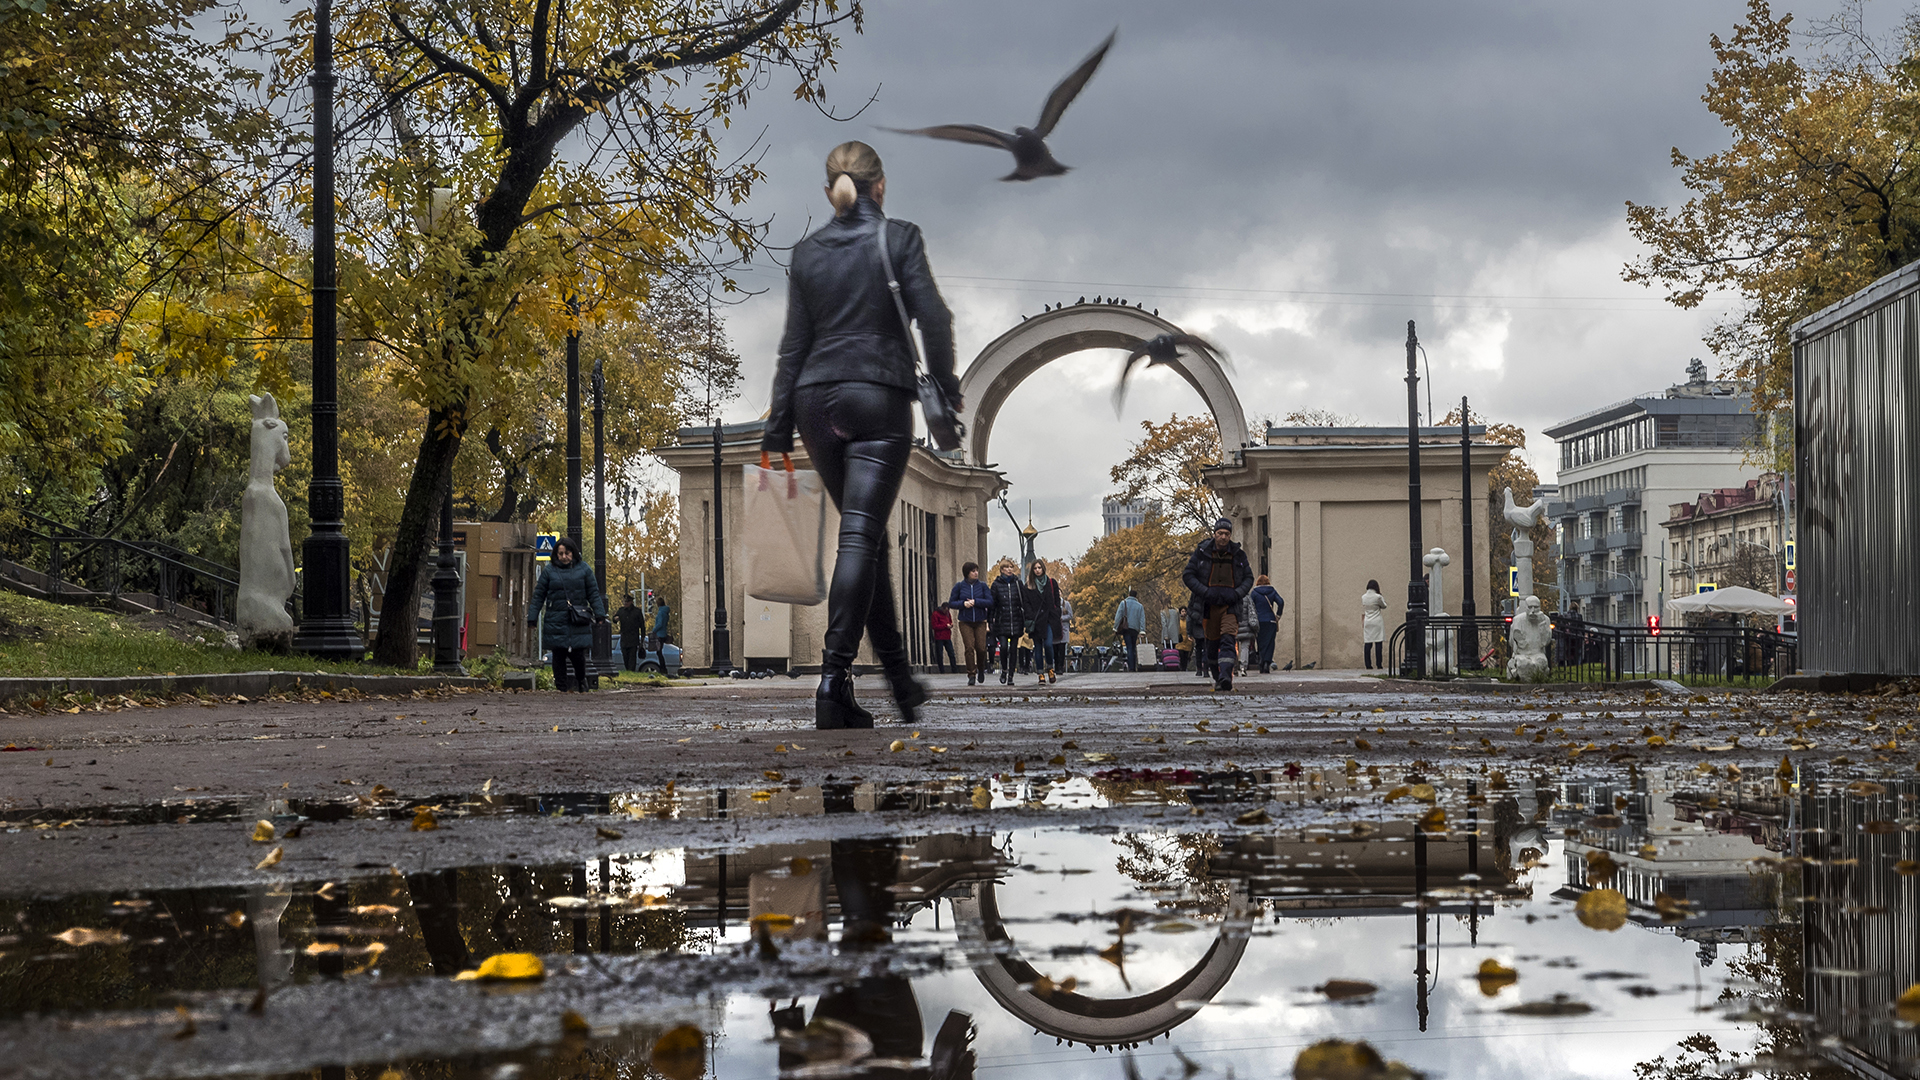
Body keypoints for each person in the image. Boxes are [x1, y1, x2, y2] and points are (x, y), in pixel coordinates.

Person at [760, 141, 959, 729]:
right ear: (880, 187)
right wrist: (945, 389)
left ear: (831, 193)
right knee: (861, 536)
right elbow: (936, 318)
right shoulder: (900, 238)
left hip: (815, 403)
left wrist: (776, 427)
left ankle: (898, 681)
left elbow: (793, 345)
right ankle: (832, 678)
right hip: (878, 399)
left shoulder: (807, 251)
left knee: (869, 541)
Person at [1182, 518, 1254, 691]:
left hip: (1230, 605)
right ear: (1214, 534)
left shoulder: (1238, 554)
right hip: (1208, 606)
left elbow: (1248, 578)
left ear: (1230, 535)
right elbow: (1188, 575)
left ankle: (1226, 676)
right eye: (1220, 533)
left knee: (1229, 640)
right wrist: (1205, 592)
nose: (1223, 537)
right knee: (1212, 646)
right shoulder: (1202, 552)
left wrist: (1237, 593)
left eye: (1227, 534)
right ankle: (1218, 677)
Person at [527, 536, 605, 692]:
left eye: (567, 553)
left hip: (577, 618)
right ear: (556, 554)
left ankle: (581, 680)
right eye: (560, 553)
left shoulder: (584, 569)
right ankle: (561, 687)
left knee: (578, 654)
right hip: (556, 618)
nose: (563, 557)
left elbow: (593, 594)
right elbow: (538, 595)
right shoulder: (550, 571)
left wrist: (600, 614)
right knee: (558, 653)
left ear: (573, 553)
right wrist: (532, 618)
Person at [946, 562, 993, 686]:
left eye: (976, 570)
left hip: (980, 621)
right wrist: (963, 604)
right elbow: (951, 603)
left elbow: (990, 601)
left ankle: (981, 668)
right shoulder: (959, 586)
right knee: (969, 647)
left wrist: (976, 602)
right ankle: (971, 674)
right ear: (967, 573)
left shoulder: (982, 586)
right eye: (973, 571)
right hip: (965, 621)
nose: (976, 573)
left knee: (981, 648)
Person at [1023, 558, 1063, 685]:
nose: (1037, 570)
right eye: (1035, 568)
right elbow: (1026, 603)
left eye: (1039, 568)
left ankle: (1050, 668)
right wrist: (1030, 615)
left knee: (1048, 644)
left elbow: (1057, 600)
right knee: (1038, 648)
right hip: (1036, 620)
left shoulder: (1051, 583)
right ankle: (1040, 673)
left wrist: (1057, 613)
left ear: (1043, 568)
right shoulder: (1029, 585)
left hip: (1049, 619)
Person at [988, 559, 1026, 685]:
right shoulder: (996, 584)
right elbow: (992, 605)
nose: (1009, 569)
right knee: (1003, 647)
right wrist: (990, 621)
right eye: (1007, 567)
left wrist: (1026, 618)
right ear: (1002, 570)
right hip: (1002, 620)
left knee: (1014, 649)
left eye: (1011, 567)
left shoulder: (1018, 583)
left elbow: (1023, 601)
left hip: (1016, 620)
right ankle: (1004, 669)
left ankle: (1011, 675)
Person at [1251, 574, 1284, 674]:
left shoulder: (1254, 593)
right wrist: (1278, 615)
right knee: (1270, 643)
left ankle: (1261, 661)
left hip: (1259, 621)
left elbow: (1250, 605)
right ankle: (1267, 662)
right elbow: (1281, 602)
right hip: (1271, 621)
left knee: (1260, 642)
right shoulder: (1272, 591)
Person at [1113, 587, 1147, 671]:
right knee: (1133, 646)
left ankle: (1131, 667)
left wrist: (1115, 628)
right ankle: (1134, 666)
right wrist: (1142, 630)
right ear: (1136, 596)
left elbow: (1118, 616)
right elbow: (1142, 618)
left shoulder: (1123, 603)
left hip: (1126, 628)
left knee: (1129, 647)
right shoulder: (1140, 606)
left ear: (1129, 595)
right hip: (1135, 629)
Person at [1361, 579, 1389, 669]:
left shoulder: (1363, 597)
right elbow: (1384, 606)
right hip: (1377, 620)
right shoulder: (1378, 597)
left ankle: (1368, 665)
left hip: (1367, 621)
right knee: (1378, 643)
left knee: (1368, 643)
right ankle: (1379, 664)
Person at [615, 593, 645, 672]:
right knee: (625, 656)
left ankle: (631, 671)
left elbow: (642, 625)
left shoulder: (637, 612)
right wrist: (615, 619)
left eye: (627, 601)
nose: (625, 603)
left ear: (631, 602)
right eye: (624, 601)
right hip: (624, 637)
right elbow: (614, 619)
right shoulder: (621, 611)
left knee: (632, 657)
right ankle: (628, 670)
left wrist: (642, 637)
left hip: (633, 638)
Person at [930, 606, 956, 673]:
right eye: (945, 610)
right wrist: (945, 626)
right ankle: (941, 670)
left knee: (951, 653)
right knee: (940, 654)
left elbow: (950, 621)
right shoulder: (935, 614)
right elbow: (934, 626)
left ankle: (954, 669)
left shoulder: (947, 613)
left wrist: (950, 625)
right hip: (939, 637)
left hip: (947, 636)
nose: (946, 612)